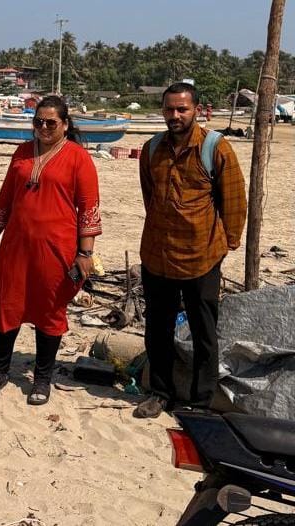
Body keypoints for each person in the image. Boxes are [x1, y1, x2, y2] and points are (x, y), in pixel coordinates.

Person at [134, 82, 247, 419]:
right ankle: (160, 393)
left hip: (202, 257)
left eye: (182, 109)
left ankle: (200, 402)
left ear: (196, 110)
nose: (175, 115)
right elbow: (150, 197)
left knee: (203, 332)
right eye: (169, 109)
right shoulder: (152, 149)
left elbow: (234, 200)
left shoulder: (215, 148)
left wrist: (226, 243)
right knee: (158, 329)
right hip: (157, 255)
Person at [0, 95, 102, 405]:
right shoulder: (22, 152)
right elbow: (6, 197)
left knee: (49, 310)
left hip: (56, 249)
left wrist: (85, 254)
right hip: (16, 247)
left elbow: (89, 208)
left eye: (51, 122)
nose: (44, 127)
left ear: (65, 125)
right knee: (7, 305)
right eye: (38, 122)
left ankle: (42, 379)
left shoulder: (78, 157)